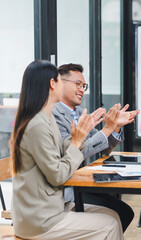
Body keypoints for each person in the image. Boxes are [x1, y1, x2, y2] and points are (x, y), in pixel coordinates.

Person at [10, 60, 123, 239]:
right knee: (109, 225)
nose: (79, 89)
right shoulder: (37, 124)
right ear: (52, 84)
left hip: (51, 208)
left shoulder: (44, 118)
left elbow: (63, 151)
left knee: (113, 215)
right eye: (62, 82)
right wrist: (78, 140)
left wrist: (82, 133)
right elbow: (58, 175)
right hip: (40, 219)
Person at [52, 63, 138, 232]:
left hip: (81, 184)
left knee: (124, 212)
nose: (82, 89)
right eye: (77, 84)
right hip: (65, 191)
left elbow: (101, 148)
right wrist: (107, 128)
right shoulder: (54, 114)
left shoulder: (76, 112)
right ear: (59, 83)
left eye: (84, 85)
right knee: (121, 213)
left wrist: (115, 127)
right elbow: (76, 152)